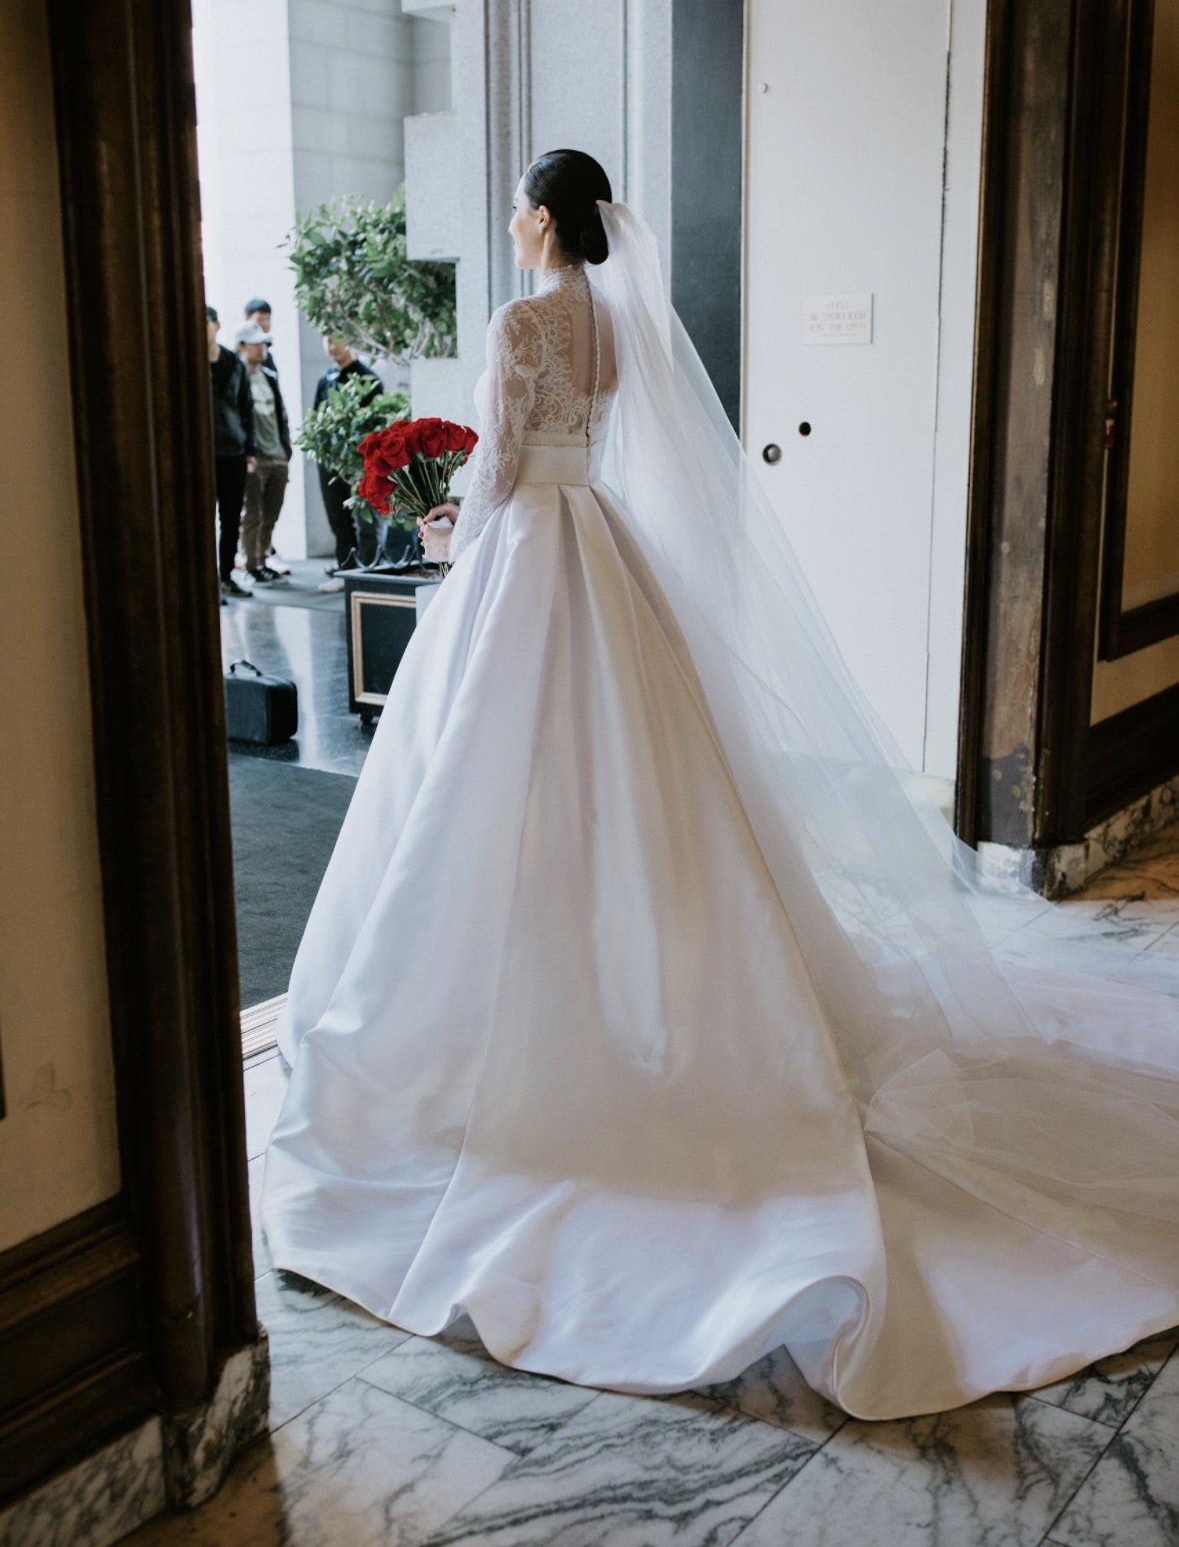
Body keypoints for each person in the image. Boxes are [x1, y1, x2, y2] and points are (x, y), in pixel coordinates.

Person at [262, 150, 1179, 1421]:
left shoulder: (523, 321)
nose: (514, 224)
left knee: (492, 781)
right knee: (640, 786)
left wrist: (450, 534)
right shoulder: (611, 325)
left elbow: (507, 464)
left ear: (542, 218)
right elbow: (584, 444)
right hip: (597, 547)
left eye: (520, 209)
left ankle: (492, 1036)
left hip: (526, 553)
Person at [312, 336, 381, 593]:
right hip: (330, 460)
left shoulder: (367, 377)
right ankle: (346, 571)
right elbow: (316, 419)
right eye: (327, 340)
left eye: (337, 340)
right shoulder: (325, 379)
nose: (332, 347)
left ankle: (370, 573)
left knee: (366, 521)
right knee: (338, 519)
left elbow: (376, 422)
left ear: (349, 341)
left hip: (359, 461)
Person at [236, 320, 291, 585]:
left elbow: (281, 415)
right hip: (254, 457)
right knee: (252, 514)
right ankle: (250, 564)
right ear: (241, 346)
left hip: (276, 454)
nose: (261, 349)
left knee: (271, 514)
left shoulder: (269, 377)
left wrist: (285, 449)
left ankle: (262, 559)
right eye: (255, 344)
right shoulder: (237, 378)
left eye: (263, 344)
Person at [206, 305, 254, 600]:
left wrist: (250, 450)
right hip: (205, 454)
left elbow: (246, 407)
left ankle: (226, 576)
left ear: (217, 325)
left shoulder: (234, 363)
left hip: (234, 452)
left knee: (231, 518)